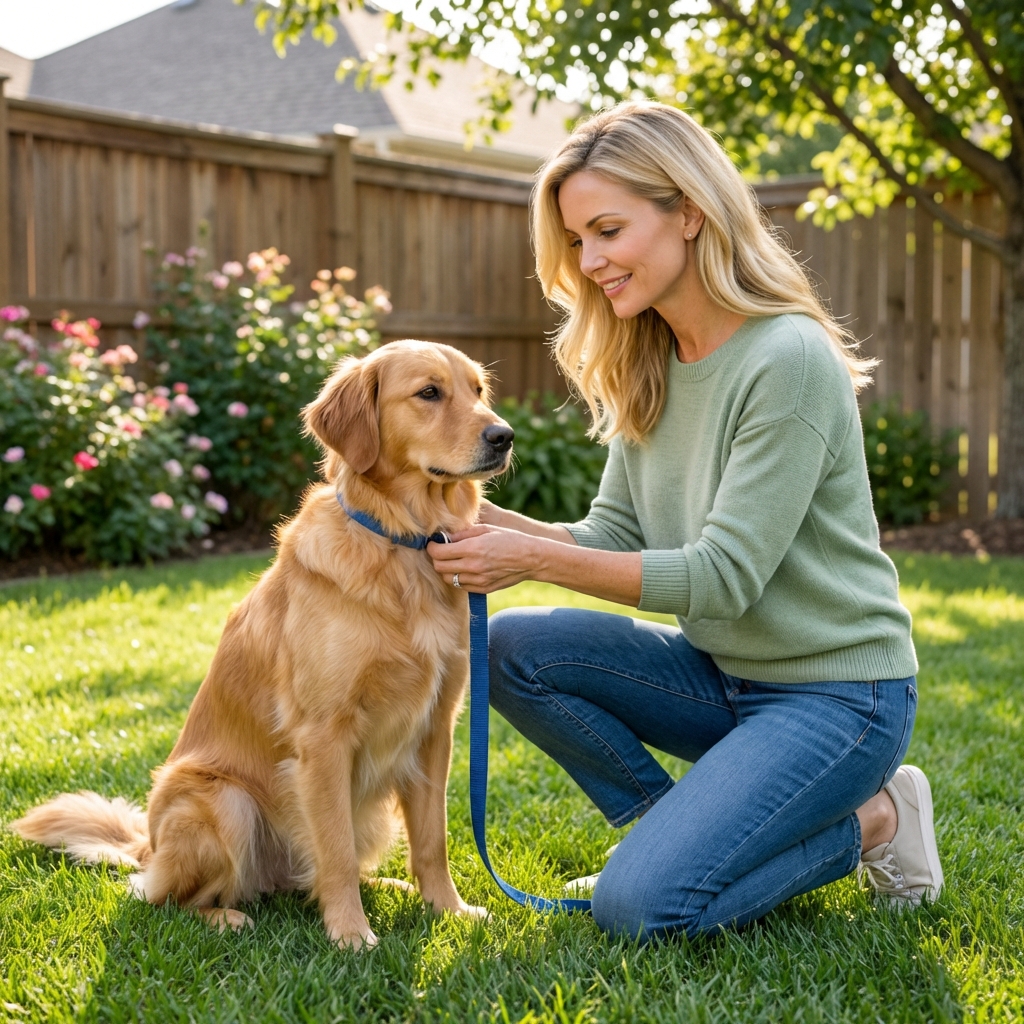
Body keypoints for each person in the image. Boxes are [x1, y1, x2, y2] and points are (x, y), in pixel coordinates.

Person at [427, 102, 943, 942]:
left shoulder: (788, 360)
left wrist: (530, 557)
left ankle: (879, 817)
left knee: (638, 909)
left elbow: (722, 578)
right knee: (506, 646)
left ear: (690, 212)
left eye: (607, 231)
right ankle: (676, 840)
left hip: (841, 699)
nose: (589, 262)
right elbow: (612, 538)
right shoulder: (650, 362)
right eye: (576, 243)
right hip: (722, 678)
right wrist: (475, 519)